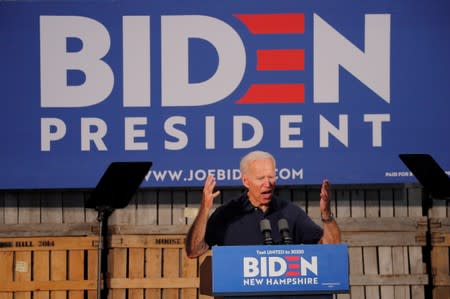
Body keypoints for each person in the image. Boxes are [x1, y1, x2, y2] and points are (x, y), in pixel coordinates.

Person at [185, 150, 341, 258]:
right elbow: (194, 251)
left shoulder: (290, 212)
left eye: (271, 177)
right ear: (246, 181)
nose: (268, 183)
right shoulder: (227, 214)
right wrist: (204, 209)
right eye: (260, 178)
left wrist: (326, 214)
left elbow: (331, 248)